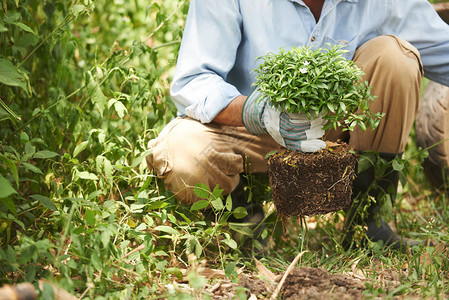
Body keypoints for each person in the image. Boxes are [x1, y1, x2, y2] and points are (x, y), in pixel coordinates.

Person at [146, 0, 449, 252]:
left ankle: (368, 224)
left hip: (335, 129)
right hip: (249, 132)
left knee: (396, 58)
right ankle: (243, 228)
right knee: (182, 150)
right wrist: (258, 111)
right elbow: (194, 81)